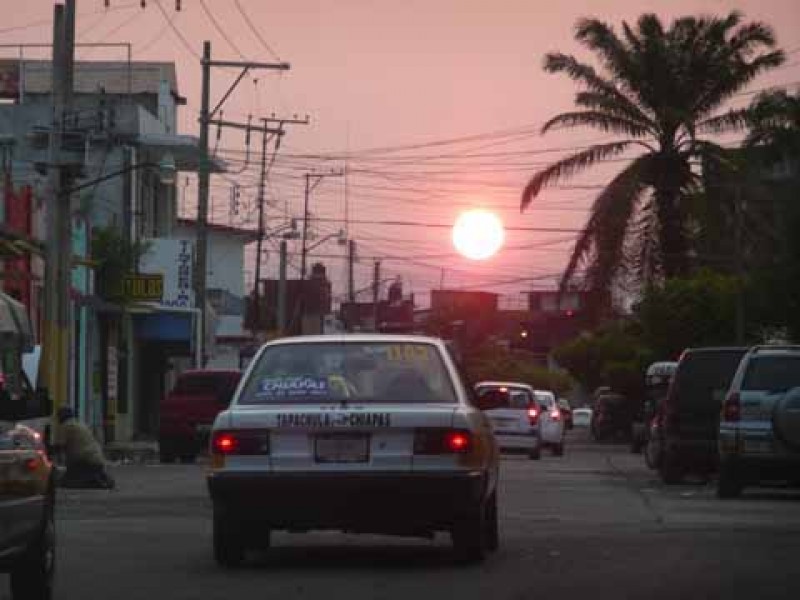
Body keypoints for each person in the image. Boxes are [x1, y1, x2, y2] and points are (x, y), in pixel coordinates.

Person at [54, 407, 115, 489]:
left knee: (65, 483)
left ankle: (96, 482)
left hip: (84, 461)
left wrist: (55, 460)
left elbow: (59, 446)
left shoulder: (65, 426)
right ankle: (99, 478)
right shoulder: (80, 424)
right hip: (97, 460)